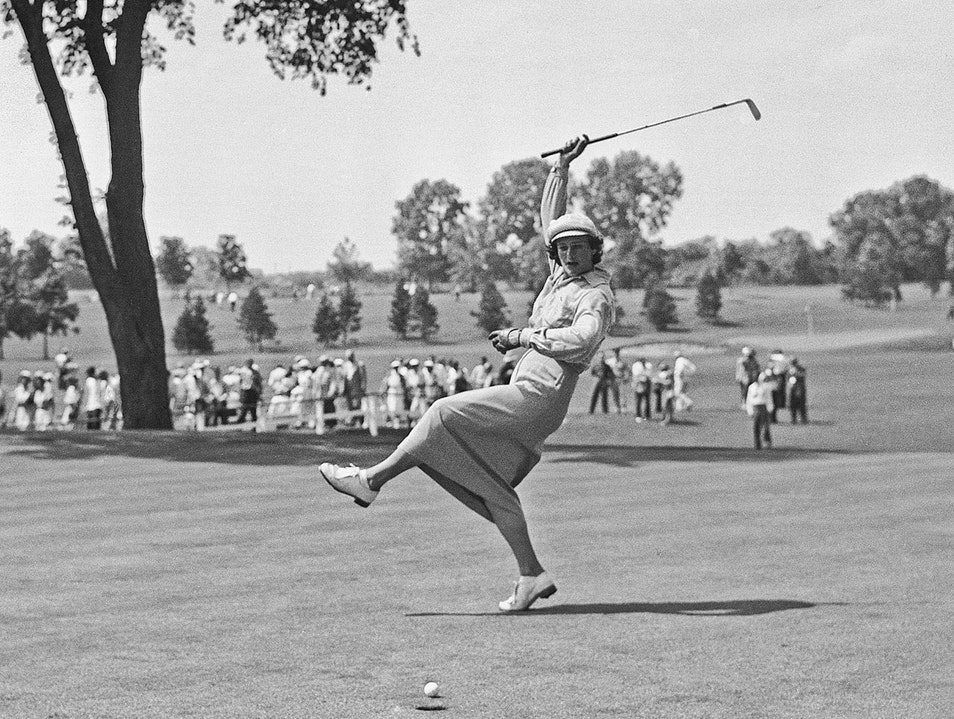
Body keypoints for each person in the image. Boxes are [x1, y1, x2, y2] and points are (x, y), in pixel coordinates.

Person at [318, 136, 615, 612]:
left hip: (543, 394)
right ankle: (531, 575)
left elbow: (582, 339)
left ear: (594, 251)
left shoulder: (594, 294)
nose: (569, 255)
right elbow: (549, 225)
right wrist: (560, 170)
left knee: (440, 413)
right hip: (527, 389)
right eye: (563, 249)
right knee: (485, 484)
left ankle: (371, 482)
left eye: (579, 248)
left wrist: (523, 337)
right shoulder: (561, 274)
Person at [746, 371, 775, 449]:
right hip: (756, 408)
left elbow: (769, 398)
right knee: (756, 427)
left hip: (763, 408)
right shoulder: (751, 387)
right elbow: (749, 400)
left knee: (765, 426)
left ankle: (767, 442)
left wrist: (770, 407)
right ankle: (757, 444)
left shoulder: (765, 387)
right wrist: (750, 410)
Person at [631, 356, 653, 422]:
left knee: (647, 400)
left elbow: (649, 374)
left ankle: (647, 416)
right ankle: (638, 415)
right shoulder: (636, 365)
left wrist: (644, 376)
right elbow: (636, 375)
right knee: (639, 400)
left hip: (646, 383)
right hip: (639, 383)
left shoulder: (648, 365)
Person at [787, 358, 808, 424]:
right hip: (792, 388)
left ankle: (803, 419)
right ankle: (793, 419)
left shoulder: (801, 369)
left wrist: (795, 374)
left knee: (801, 404)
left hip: (799, 388)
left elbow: (802, 375)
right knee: (793, 404)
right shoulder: (790, 370)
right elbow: (788, 378)